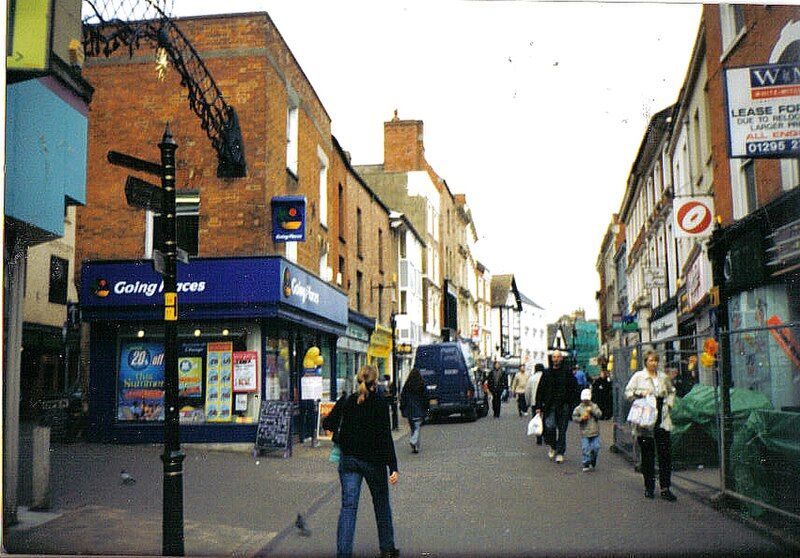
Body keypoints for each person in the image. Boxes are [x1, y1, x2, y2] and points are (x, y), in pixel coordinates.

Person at [322, 365, 400, 558]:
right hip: (374, 462)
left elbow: (328, 423)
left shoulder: (347, 401)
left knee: (348, 507)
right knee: (381, 504)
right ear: (376, 382)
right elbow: (385, 437)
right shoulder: (380, 403)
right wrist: (393, 466)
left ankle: (343, 553)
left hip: (349, 460)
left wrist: (341, 433)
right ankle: (387, 549)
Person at [624, 350, 677, 502]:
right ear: (645, 362)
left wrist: (670, 404)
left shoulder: (662, 377)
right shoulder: (638, 376)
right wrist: (640, 394)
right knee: (647, 455)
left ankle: (665, 488)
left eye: (655, 360)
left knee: (664, 454)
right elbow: (628, 392)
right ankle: (649, 487)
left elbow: (672, 391)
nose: (653, 363)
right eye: (650, 360)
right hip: (645, 419)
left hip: (661, 417)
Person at [535, 350, 580, 463]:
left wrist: (573, 404)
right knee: (549, 427)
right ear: (552, 359)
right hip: (550, 406)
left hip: (563, 405)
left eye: (558, 357)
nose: (556, 359)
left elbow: (574, 388)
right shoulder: (547, 373)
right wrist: (538, 406)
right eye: (554, 357)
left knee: (562, 430)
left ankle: (560, 452)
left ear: (561, 358)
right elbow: (540, 389)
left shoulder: (567, 372)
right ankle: (553, 446)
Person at [572, 388, 603, 472]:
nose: (585, 402)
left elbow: (599, 414)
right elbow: (574, 417)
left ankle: (593, 460)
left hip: (594, 431)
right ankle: (586, 462)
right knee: (585, 448)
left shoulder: (594, 406)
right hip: (584, 432)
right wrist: (581, 418)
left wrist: (592, 410)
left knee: (595, 447)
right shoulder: (579, 408)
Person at [400, 368, 428, 453]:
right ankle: (414, 442)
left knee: (413, 428)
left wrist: (402, 408)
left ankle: (415, 446)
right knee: (417, 428)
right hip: (419, 409)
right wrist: (427, 409)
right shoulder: (422, 384)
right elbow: (425, 398)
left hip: (410, 410)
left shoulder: (407, 385)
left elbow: (403, 398)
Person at [525, 363, 545, 445]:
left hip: (534, 403)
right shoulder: (546, 378)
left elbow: (527, 391)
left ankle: (538, 437)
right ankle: (545, 434)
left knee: (536, 419)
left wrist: (528, 402)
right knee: (544, 419)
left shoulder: (531, 378)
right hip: (545, 402)